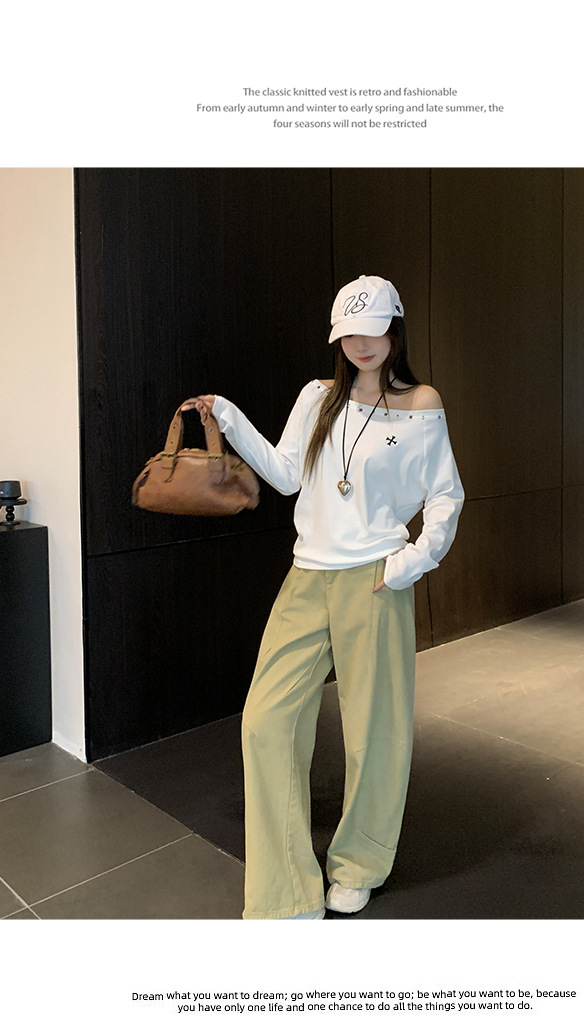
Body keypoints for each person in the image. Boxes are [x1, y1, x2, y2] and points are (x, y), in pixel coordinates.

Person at [182, 275, 464, 919]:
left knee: (375, 732)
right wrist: (227, 416)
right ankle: (285, 891)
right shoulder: (317, 398)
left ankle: (360, 863)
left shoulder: (421, 403)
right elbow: (285, 475)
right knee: (265, 721)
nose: (361, 344)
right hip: (307, 576)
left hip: (375, 578)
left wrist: (411, 562)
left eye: (373, 330)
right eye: (349, 333)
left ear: (395, 329)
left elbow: (446, 493)